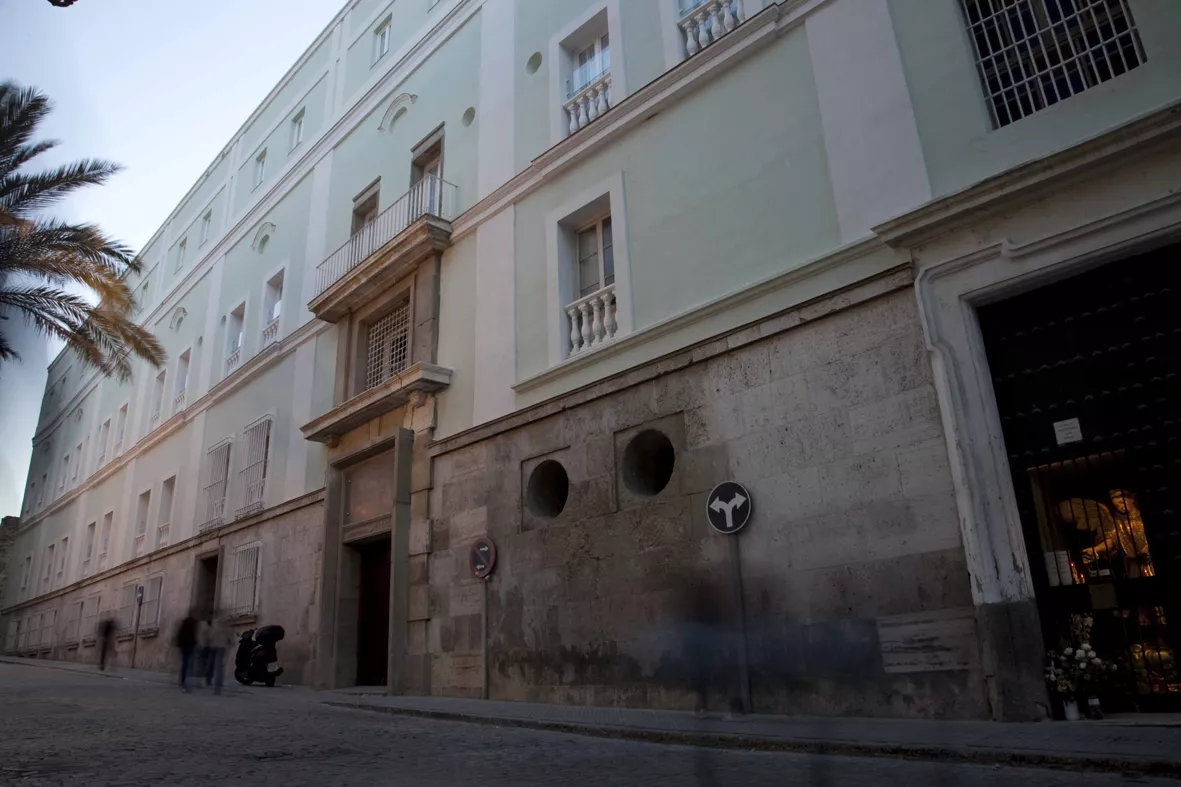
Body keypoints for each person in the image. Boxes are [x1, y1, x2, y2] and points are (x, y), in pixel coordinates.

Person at [206, 614, 232, 695]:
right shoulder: (226, 626)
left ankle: (216, 685)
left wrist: (210, 643)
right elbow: (230, 637)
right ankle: (218, 685)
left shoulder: (215, 625)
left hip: (215, 646)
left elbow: (211, 636)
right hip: (222, 647)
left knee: (216, 666)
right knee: (220, 667)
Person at [174, 608, 199, 692]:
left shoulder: (186, 623)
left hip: (186, 646)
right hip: (188, 646)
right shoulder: (192, 624)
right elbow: (193, 637)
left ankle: (184, 681)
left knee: (185, 664)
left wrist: (180, 645)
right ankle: (187, 683)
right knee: (188, 665)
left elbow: (180, 635)